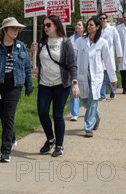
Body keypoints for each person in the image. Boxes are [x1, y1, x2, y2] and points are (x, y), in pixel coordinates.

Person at [0, 17, 33, 163]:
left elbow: (27, 68)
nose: (15, 31)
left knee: (8, 116)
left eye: (17, 29)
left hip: (15, 86)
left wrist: (29, 85)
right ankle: (11, 138)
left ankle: (5, 151)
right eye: (12, 28)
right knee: (2, 116)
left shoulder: (21, 47)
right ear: (5, 30)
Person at [33, 15, 79, 157]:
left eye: (48, 25)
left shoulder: (65, 43)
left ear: (56, 26)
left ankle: (59, 145)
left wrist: (75, 83)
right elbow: (39, 62)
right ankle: (50, 139)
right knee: (42, 112)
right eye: (44, 25)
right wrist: (34, 52)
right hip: (44, 84)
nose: (45, 28)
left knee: (57, 115)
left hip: (61, 84)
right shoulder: (42, 42)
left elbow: (72, 64)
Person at [74, 16, 117, 137]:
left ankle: (88, 128)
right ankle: (96, 117)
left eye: (91, 25)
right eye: (88, 25)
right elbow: (74, 57)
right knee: (85, 102)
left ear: (97, 27)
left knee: (93, 101)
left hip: (96, 76)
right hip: (82, 76)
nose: (88, 27)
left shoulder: (102, 42)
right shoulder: (80, 41)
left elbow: (108, 61)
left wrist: (113, 79)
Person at [98, 13, 122, 100]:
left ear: (106, 19)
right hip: (100, 57)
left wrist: (119, 55)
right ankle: (102, 95)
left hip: (110, 56)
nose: (102, 20)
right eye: (100, 18)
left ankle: (112, 90)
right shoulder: (98, 30)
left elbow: (117, 42)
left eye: (103, 18)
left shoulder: (112, 29)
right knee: (101, 77)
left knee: (110, 75)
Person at [69, 20, 86, 121]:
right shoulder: (70, 39)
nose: (77, 26)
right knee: (74, 91)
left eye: (79, 25)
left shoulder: (87, 39)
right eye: (76, 24)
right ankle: (74, 113)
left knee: (85, 91)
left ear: (84, 28)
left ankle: (88, 106)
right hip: (73, 68)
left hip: (84, 69)